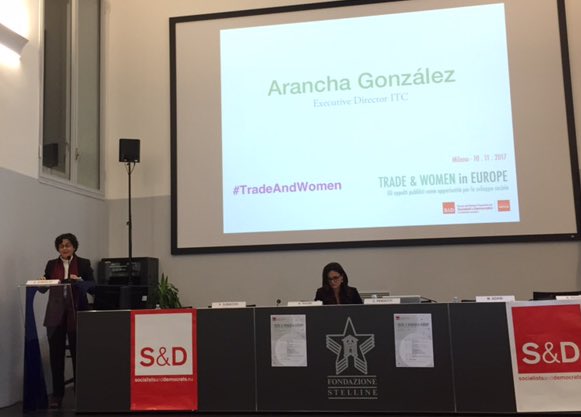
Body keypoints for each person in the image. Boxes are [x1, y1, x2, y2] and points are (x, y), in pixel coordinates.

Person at [41, 233, 94, 408]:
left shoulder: (84, 263)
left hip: (77, 313)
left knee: (79, 355)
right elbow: (44, 287)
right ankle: (57, 395)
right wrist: (42, 281)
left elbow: (93, 287)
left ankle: (81, 393)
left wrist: (81, 281)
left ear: (74, 247)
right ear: (58, 248)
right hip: (55, 315)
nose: (64, 248)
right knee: (56, 356)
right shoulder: (51, 264)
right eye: (61, 246)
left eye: (68, 245)